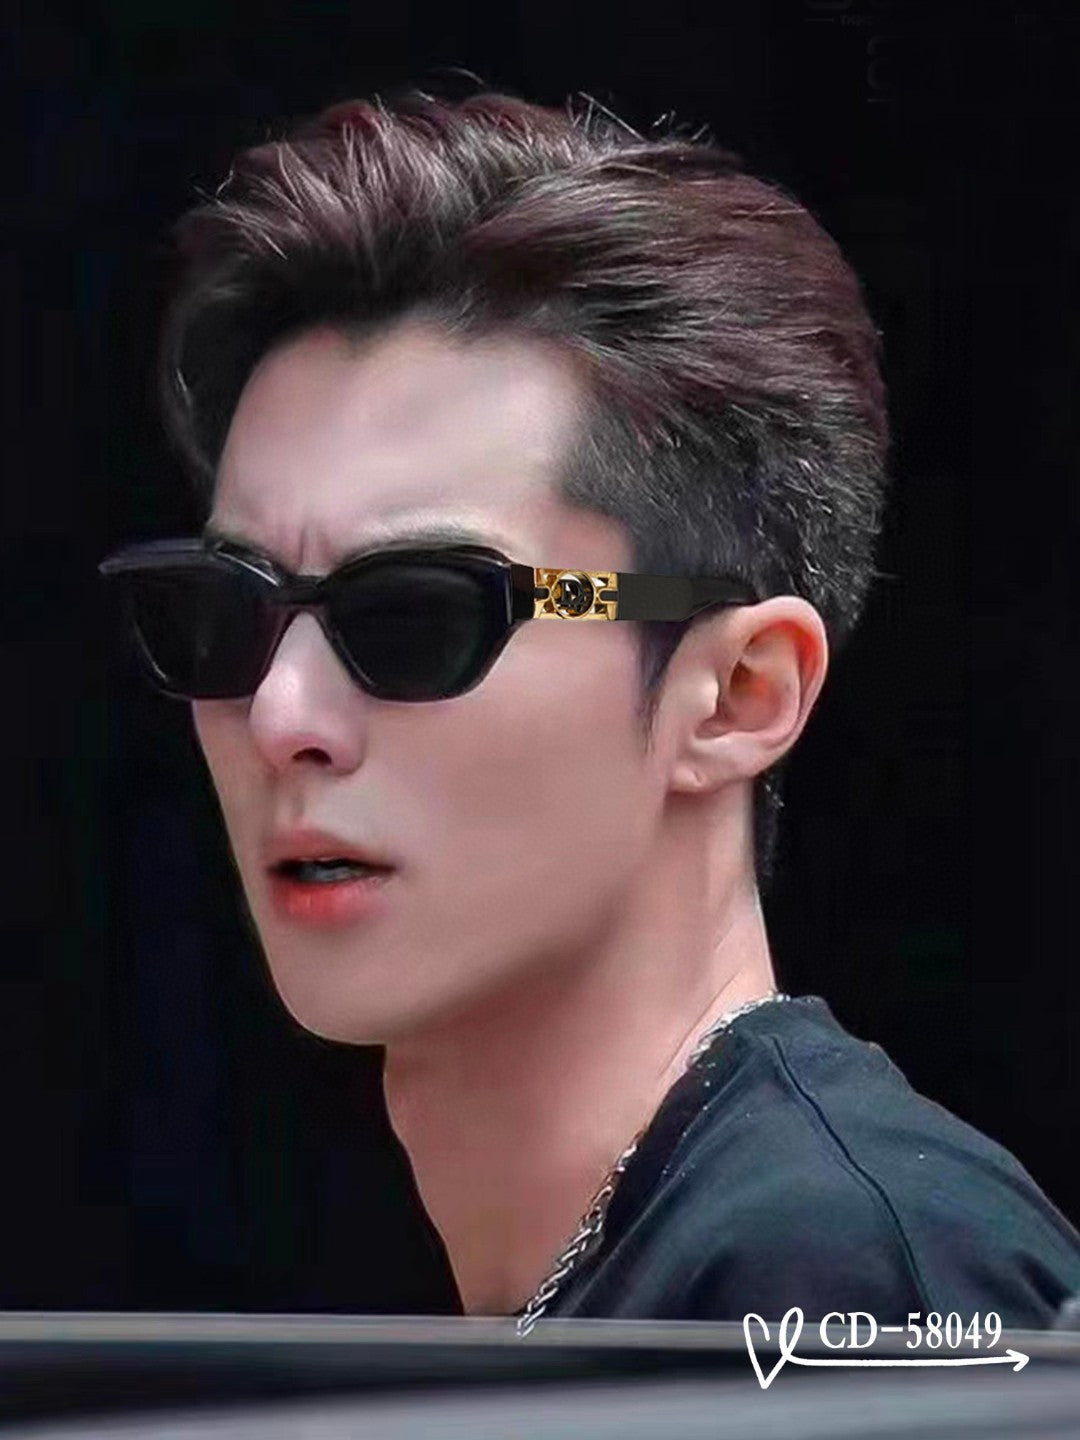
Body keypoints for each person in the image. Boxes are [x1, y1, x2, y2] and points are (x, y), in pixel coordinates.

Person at [100, 89, 1080, 1332]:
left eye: (416, 617)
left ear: (738, 695)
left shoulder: (854, 1289)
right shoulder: (676, 1273)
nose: (281, 710)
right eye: (225, 614)